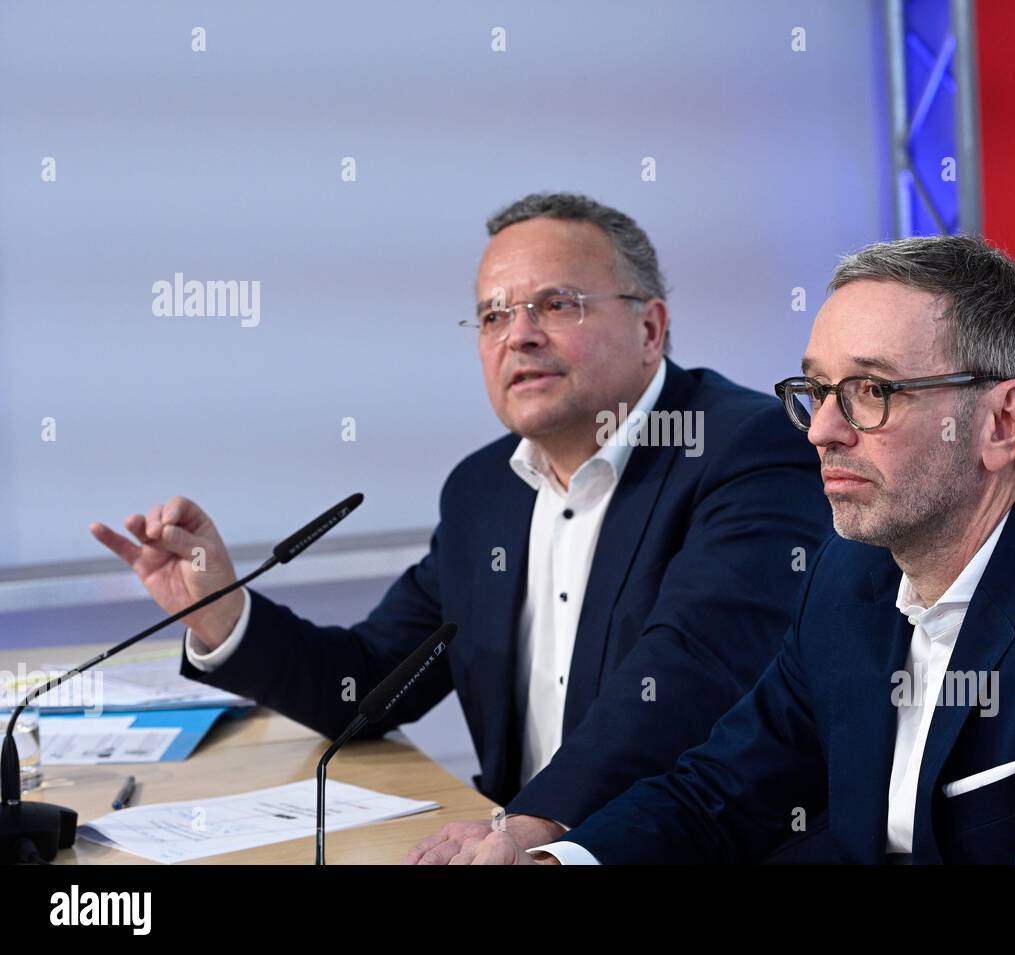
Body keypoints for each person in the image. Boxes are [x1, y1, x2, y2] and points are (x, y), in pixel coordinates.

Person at [445, 234, 1015, 865]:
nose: (823, 430)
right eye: (815, 390)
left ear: (1001, 424)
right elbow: (720, 792)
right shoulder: (852, 575)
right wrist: (554, 859)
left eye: (872, 392)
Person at [89, 192, 831, 859]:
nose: (520, 335)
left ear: (650, 328)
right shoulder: (484, 490)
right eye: (493, 315)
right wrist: (221, 611)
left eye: (557, 303)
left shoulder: (743, 448)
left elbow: (688, 676)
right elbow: (372, 680)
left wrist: (534, 820)